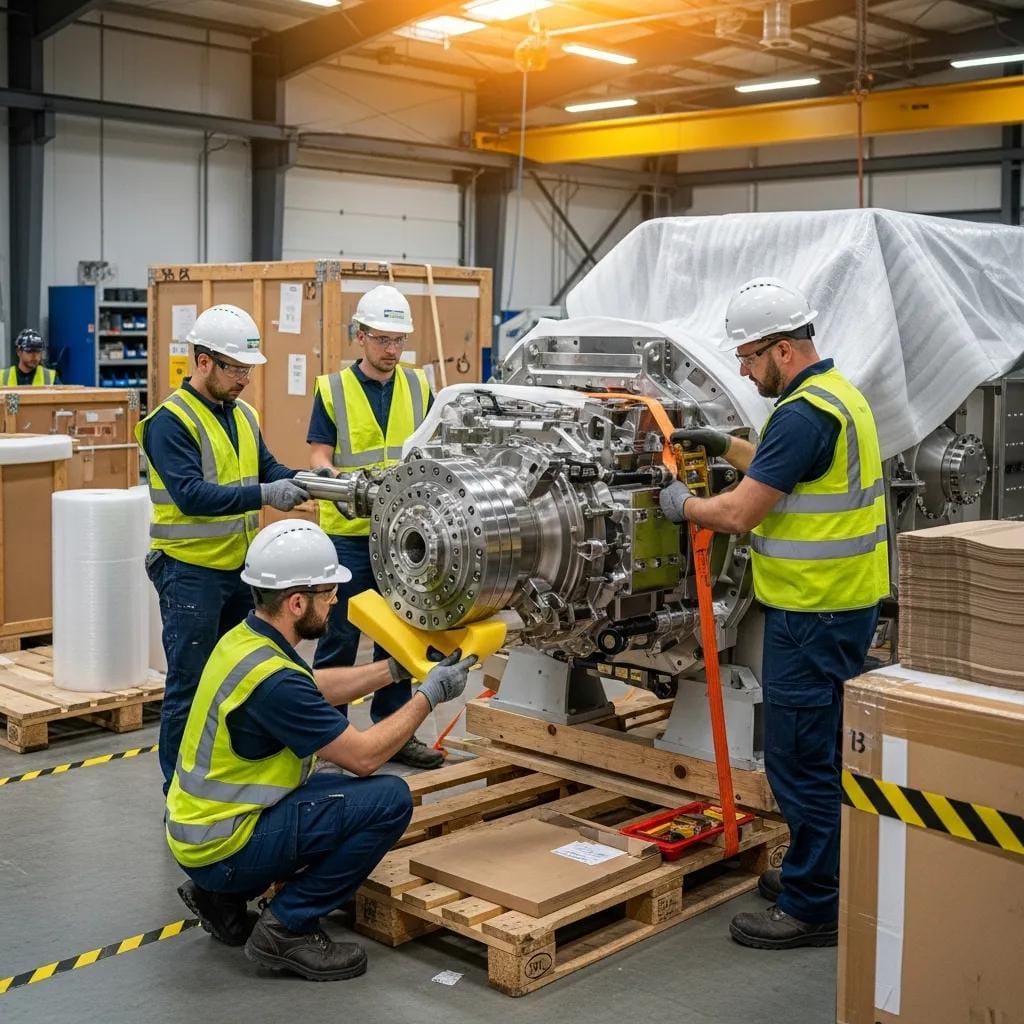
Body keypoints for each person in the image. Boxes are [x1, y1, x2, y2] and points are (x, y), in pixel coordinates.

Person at [659, 277, 889, 950]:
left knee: (800, 759)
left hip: (811, 614)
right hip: (841, 607)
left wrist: (683, 506)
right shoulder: (835, 397)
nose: (741, 369)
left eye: (748, 356)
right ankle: (826, 874)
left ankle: (813, 905)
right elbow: (779, 469)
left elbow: (738, 511)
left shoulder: (802, 413)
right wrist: (722, 443)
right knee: (821, 752)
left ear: (782, 349)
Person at [166, 518, 477, 982]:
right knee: (388, 800)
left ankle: (222, 898)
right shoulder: (275, 683)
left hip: (202, 834)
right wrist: (429, 696)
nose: (335, 599)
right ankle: (287, 926)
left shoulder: (246, 639)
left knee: (334, 793)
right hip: (226, 847)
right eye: (328, 592)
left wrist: (394, 671)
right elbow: (364, 755)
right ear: (296, 602)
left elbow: (314, 686)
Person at [137, 304, 311, 790]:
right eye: (235, 369)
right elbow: (191, 495)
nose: (243, 380)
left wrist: (306, 482)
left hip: (239, 572)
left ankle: (227, 772)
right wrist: (264, 495)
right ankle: (179, 791)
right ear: (202, 360)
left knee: (240, 675)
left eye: (248, 370)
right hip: (189, 573)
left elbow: (267, 468)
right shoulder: (169, 422)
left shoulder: (244, 415)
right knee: (189, 687)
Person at [306, 285, 438, 769]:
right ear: (359, 337)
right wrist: (336, 482)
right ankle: (326, 736)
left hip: (403, 534)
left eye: (398, 341)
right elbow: (319, 453)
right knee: (338, 632)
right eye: (382, 340)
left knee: (400, 634)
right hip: (346, 533)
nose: (391, 351)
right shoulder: (332, 389)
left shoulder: (420, 386)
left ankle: (395, 732)